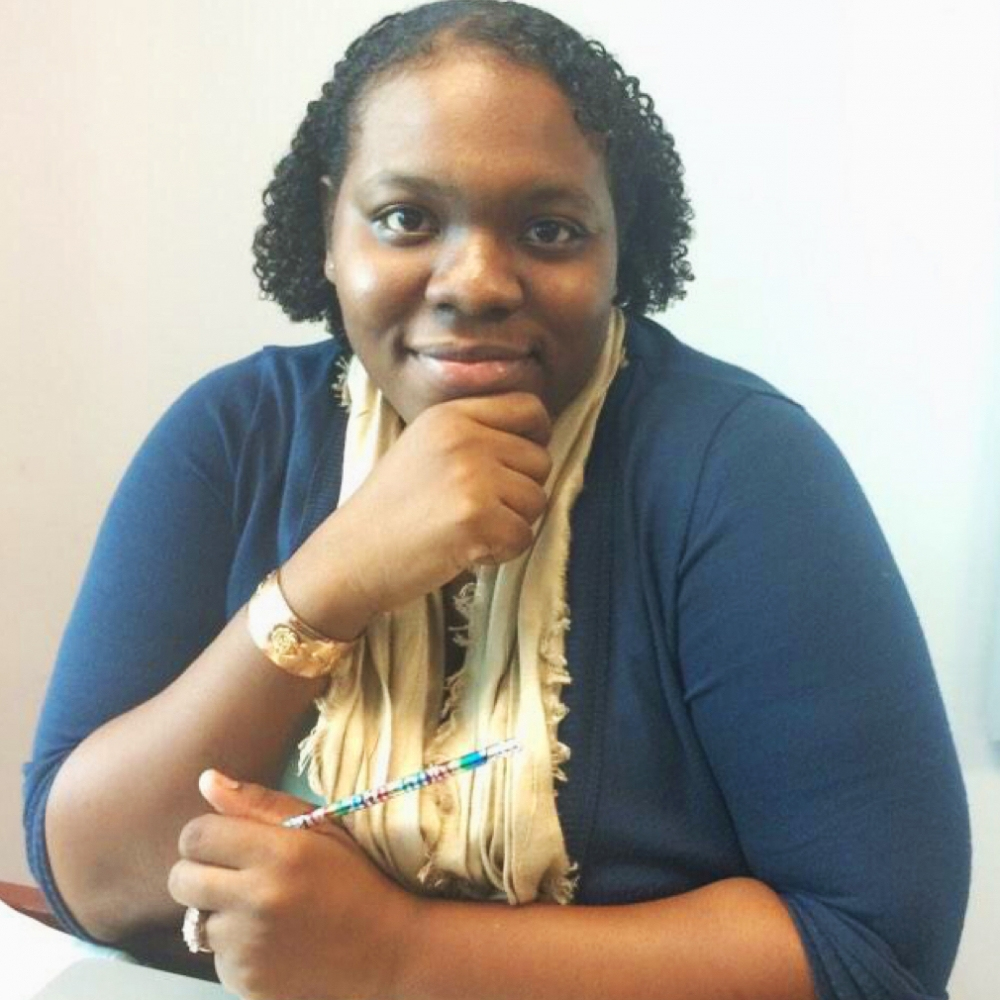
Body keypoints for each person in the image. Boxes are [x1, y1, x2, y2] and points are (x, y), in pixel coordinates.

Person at [23, 2, 969, 998]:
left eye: (549, 229)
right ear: (329, 229)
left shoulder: (740, 471)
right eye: (405, 218)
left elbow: (878, 950)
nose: (474, 282)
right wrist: (327, 584)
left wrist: (395, 954)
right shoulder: (231, 436)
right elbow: (87, 878)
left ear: (618, 246)